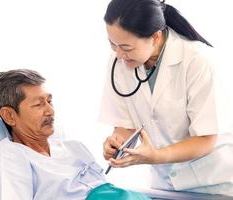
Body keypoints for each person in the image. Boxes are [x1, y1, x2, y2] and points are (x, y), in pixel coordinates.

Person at [100, 0, 233, 196]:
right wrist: (117, 143)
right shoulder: (119, 62)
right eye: (112, 43)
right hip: (165, 185)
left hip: (213, 181)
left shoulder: (196, 60)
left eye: (126, 47)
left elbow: (206, 138)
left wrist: (156, 156)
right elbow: (125, 124)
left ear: (155, 37)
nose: (119, 54)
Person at [0, 69, 149, 200]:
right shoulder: (11, 155)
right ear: (9, 115)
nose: (50, 111)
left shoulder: (73, 147)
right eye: (38, 104)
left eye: (50, 101)